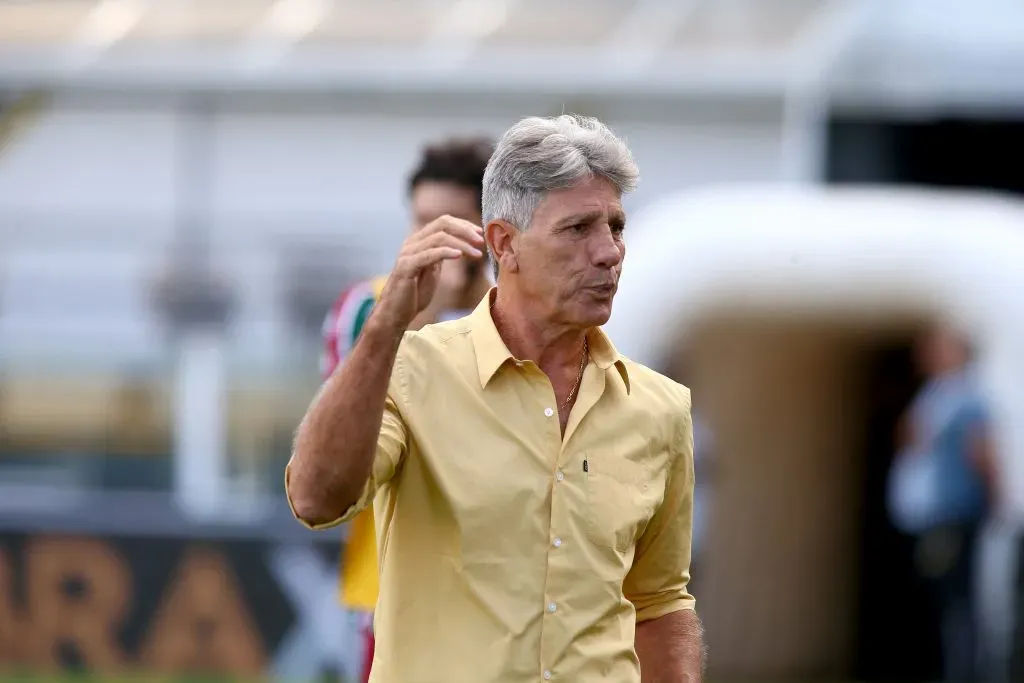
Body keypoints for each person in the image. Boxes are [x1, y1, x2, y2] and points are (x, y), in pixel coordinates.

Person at [288, 114, 704, 682]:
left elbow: (659, 603)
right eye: (579, 228)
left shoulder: (660, 408)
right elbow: (315, 498)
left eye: (616, 226)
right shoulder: (409, 365)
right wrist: (387, 327)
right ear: (504, 244)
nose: (609, 252)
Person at [319, 136, 495, 683]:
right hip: (389, 594)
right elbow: (354, 427)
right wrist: (426, 309)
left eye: (449, 222)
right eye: (420, 221)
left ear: (492, 233)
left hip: (496, 600)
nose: (429, 239)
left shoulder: (520, 323)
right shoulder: (366, 308)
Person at [887, 322, 997, 683]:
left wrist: (993, 497)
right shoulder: (934, 393)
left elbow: (980, 451)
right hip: (928, 515)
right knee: (935, 598)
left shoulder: (964, 396)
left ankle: (960, 673)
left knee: (953, 601)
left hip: (951, 512)